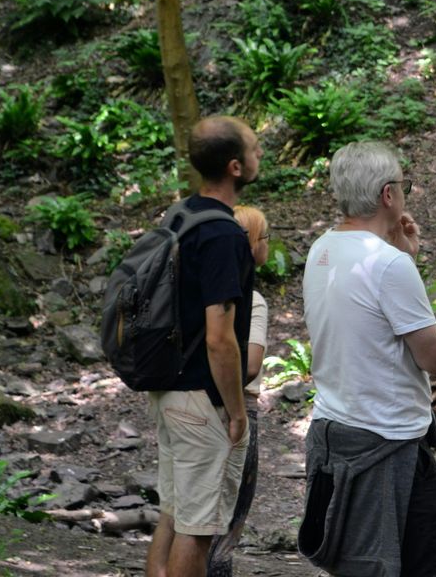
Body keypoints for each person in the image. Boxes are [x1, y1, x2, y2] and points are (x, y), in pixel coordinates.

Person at [300, 141, 436, 576]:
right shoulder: (388, 264)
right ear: (389, 194)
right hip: (387, 437)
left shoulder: (321, 249)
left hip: (334, 425)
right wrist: (405, 262)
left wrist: (404, 256)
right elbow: (435, 361)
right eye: (404, 185)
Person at [146, 116, 263, 577]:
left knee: (175, 514)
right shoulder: (222, 234)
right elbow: (220, 339)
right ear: (235, 166)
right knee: (197, 529)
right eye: (254, 149)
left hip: (168, 388)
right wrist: (235, 410)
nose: (260, 156)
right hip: (201, 399)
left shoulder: (179, 214)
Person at [206, 205, 271, 576]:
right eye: (264, 238)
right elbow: (251, 364)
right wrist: (237, 412)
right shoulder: (252, 300)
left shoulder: (204, 291)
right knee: (229, 516)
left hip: (193, 403)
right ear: (249, 245)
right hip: (237, 406)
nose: (267, 245)